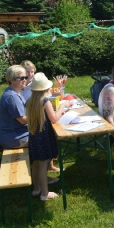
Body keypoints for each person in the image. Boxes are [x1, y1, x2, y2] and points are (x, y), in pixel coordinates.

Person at [26, 73, 70, 201]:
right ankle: (45, 194)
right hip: (44, 136)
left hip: (34, 136)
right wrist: (62, 107)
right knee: (44, 164)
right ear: (46, 89)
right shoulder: (45, 101)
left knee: (36, 163)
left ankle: (36, 189)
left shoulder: (29, 101)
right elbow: (54, 119)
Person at [19, 60, 60, 172]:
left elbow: (48, 97)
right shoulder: (24, 89)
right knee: (42, 154)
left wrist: (57, 90)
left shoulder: (35, 87)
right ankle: (44, 177)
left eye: (32, 72)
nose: (30, 74)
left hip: (36, 123)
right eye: (28, 72)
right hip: (35, 123)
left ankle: (49, 166)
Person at [0, 65, 30, 149]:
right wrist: (41, 116)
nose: (25, 80)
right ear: (11, 80)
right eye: (21, 78)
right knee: (44, 140)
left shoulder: (16, 92)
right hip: (13, 136)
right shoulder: (12, 97)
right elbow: (23, 120)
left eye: (25, 77)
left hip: (15, 133)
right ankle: (41, 162)